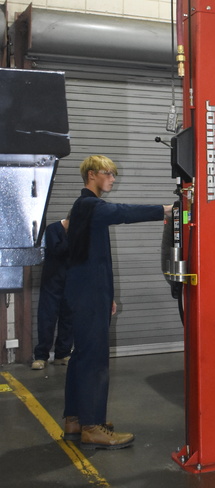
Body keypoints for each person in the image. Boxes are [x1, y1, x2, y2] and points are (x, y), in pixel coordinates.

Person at [63, 154, 172, 450]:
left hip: (87, 290)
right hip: (89, 292)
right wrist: (165, 209)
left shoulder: (83, 207)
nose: (112, 179)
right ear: (92, 175)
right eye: (108, 174)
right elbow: (123, 212)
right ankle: (92, 427)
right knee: (95, 359)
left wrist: (107, 296)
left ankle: (75, 419)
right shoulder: (90, 205)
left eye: (113, 174)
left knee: (82, 355)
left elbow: (94, 258)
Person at [31, 216, 72, 370]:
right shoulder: (53, 230)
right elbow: (57, 250)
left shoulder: (79, 232)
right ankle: (41, 356)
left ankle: (62, 354)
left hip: (70, 281)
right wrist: (73, 238)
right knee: (47, 319)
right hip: (52, 282)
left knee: (68, 319)